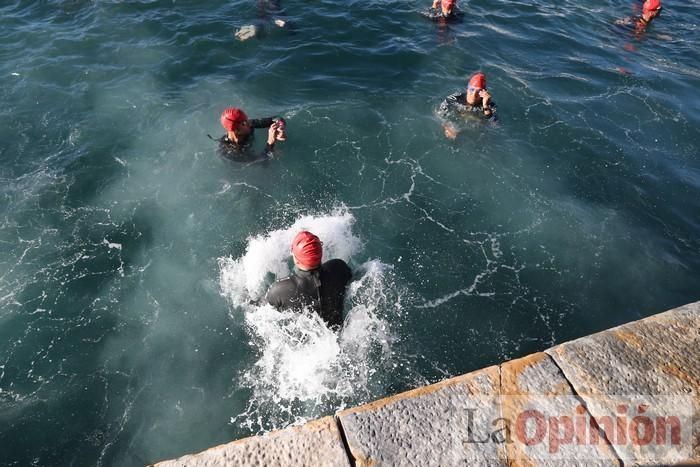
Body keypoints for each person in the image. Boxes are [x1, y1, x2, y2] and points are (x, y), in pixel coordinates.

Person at [265, 231, 352, 329]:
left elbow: (263, 313)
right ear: (321, 252)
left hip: (308, 342)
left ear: (297, 259)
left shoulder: (279, 290)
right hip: (340, 334)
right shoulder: (338, 267)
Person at [438, 72, 497, 139]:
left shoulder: (489, 105)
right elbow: (440, 114)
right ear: (467, 88)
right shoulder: (453, 98)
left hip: (476, 134)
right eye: (472, 89)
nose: (474, 94)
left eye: (479, 91)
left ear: (484, 92)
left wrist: (486, 106)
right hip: (456, 126)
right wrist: (447, 127)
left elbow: (495, 125)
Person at [215, 107, 286, 161]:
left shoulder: (248, 125)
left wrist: (281, 128)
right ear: (236, 131)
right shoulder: (230, 152)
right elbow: (261, 162)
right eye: (244, 123)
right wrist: (271, 142)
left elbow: (277, 118)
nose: (249, 123)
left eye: (247, 119)